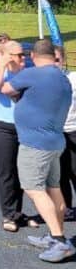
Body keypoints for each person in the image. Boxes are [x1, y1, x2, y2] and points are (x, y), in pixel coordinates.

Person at [0, 38, 74, 263]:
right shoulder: (62, 77)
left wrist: (7, 66)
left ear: (33, 56)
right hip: (55, 141)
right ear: (54, 56)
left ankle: (59, 240)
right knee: (53, 188)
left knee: (33, 188)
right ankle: (55, 234)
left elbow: (4, 88)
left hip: (35, 143)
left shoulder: (34, 74)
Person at [0, 40, 35, 232]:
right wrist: (2, 65)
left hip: (23, 127)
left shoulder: (26, 74)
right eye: (19, 55)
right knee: (5, 172)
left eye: (24, 54)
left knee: (21, 172)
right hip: (0, 127)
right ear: (6, 55)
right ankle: (8, 214)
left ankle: (17, 213)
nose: (23, 58)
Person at [57, 54, 76, 222]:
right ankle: (67, 208)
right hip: (55, 132)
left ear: (63, 60)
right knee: (60, 174)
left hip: (73, 129)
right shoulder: (46, 81)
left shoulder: (73, 78)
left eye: (58, 59)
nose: (55, 63)